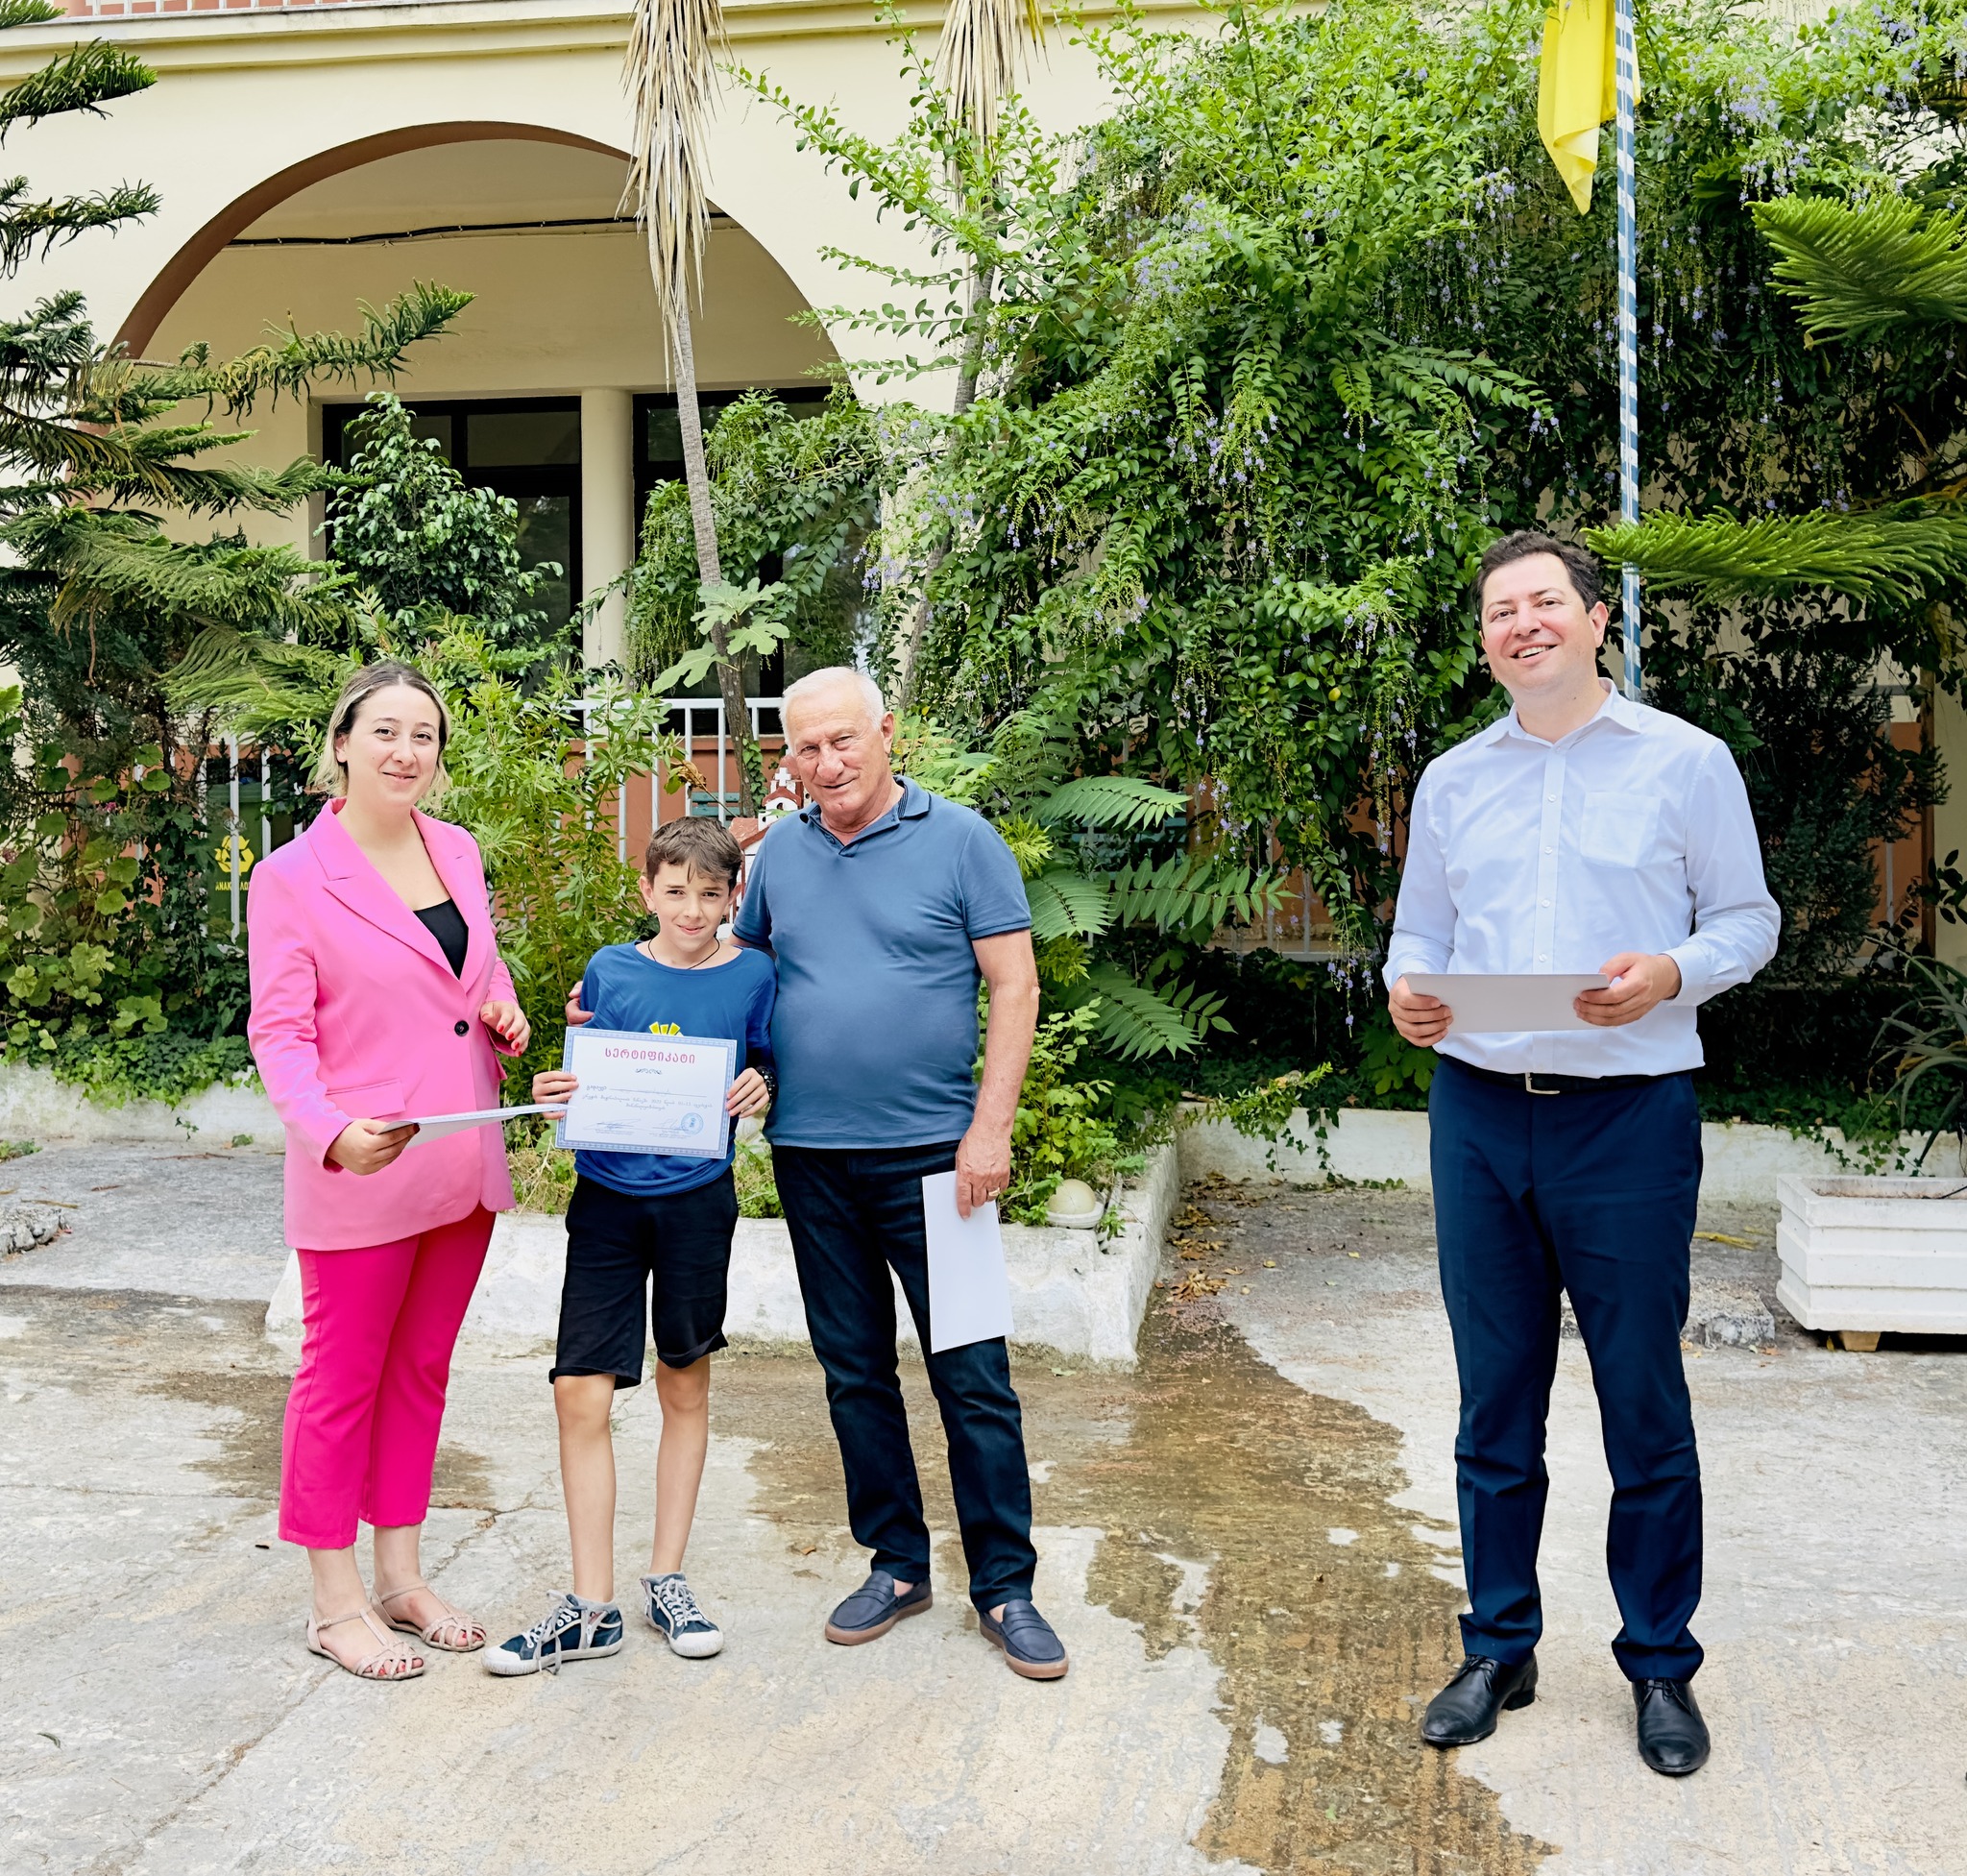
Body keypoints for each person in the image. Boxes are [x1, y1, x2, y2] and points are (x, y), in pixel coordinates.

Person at [1385, 533, 1780, 1776]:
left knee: (1641, 1403)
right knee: (1492, 1400)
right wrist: (1407, 993)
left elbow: (1748, 920)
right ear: (1484, 640)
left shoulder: (1686, 762)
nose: (1523, 623)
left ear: (1597, 619)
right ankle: (1498, 1644)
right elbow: (1418, 936)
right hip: (1478, 1115)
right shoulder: (1452, 780)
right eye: (1500, 610)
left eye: (1544, 601)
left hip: (1628, 1120)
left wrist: (1671, 971)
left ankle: (1659, 1662)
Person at [247, 662, 532, 1682]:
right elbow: (279, 1033)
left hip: (462, 1158)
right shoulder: (290, 877)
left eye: (424, 736)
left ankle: (401, 1577)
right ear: (342, 744)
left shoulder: (454, 848)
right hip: (364, 1165)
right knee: (340, 1380)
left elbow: (472, 972)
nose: (406, 752)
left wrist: (503, 1010)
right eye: (385, 732)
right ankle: (334, 1602)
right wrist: (328, 1132)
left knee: (419, 1371)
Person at [488, 819, 775, 1675]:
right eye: (675, 891)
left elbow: (769, 1062)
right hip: (607, 1201)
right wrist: (556, 1090)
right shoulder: (610, 970)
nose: (691, 909)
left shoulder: (754, 975)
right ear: (647, 891)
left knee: (684, 1383)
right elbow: (585, 1072)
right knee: (579, 1392)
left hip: (697, 1203)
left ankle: (667, 1577)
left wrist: (763, 1083)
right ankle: (590, 1606)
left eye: (710, 894)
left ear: (732, 899)